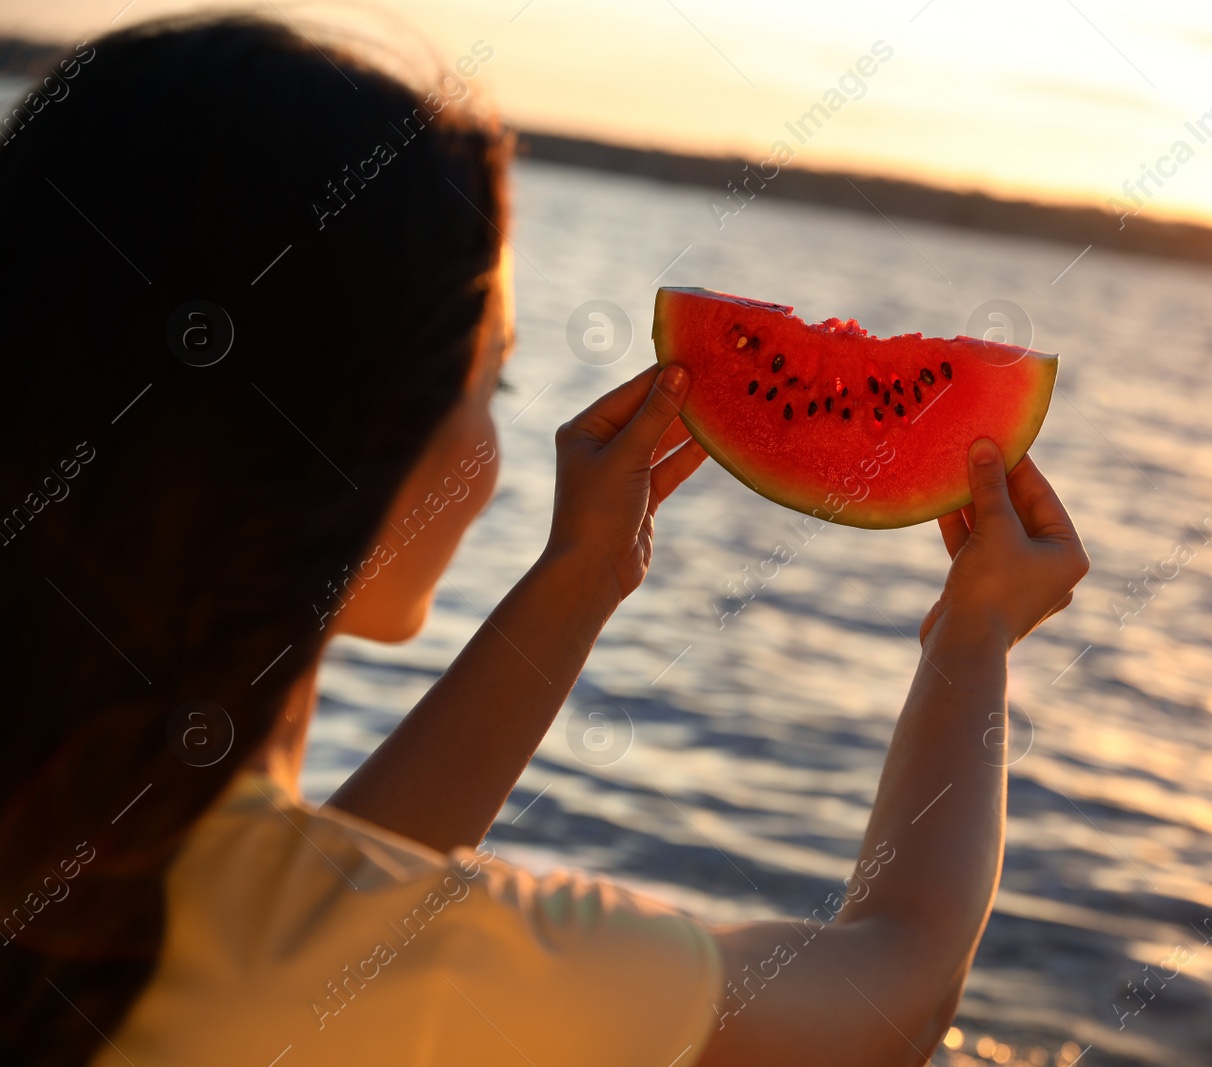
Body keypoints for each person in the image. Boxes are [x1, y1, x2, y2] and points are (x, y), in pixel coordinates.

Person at [0, 17, 1089, 1067]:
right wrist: (972, 639)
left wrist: (578, 579)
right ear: (372, 422)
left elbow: (335, 899)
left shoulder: (103, 844)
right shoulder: (440, 967)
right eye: (492, 381)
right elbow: (893, 994)